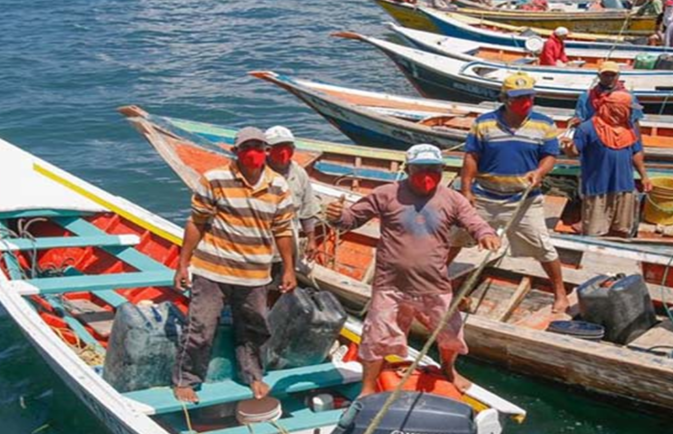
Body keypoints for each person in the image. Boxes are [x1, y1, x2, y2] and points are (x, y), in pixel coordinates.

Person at [325, 144, 501, 396]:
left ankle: (449, 369)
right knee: (377, 338)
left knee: (450, 334)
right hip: (390, 286)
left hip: (434, 285)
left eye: (434, 169)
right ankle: (366, 388)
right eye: (421, 169)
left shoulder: (452, 198)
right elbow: (349, 220)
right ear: (408, 169)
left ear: (442, 171)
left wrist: (486, 234)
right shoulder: (386, 194)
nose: (428, 175)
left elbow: (474, 221)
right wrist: (336, 214)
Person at [172, 127, 298, 404]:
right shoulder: (215, 179)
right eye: (246, 147)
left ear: (267, 151)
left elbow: (283, 231)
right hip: (212, 269)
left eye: (258, 147)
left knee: (255, 329)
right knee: (200, 328)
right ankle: (186, 380)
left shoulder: (279, 186)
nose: (252, 153)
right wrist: (183, 264)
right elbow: (196, 222)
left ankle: (253, 377)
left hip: (255, 273)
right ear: (235, 151)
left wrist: (289, 269)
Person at [451, 73, 569, 313]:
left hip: (523, 199)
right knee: (454, 239)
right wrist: (465, 189)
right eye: (519, 98)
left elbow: (550, 156)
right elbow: (471, 156)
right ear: (505, 99)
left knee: (543, 247)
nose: (525, 101)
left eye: (529, 96)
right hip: (485, 195)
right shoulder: (484, 123)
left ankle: (560, 294)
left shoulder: (544, 124)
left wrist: (539, 172)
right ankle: (432, 283)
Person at [563, 90, 652, 237]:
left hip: (624, 187)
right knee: (595, 230)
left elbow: (636, 152)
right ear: (617, 108)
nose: (631, 113)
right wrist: (568, 146)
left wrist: (644, 176)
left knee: (622, 229)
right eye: (629, 109)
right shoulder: (587, 128)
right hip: (598, 188)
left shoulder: (629, 128)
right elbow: (574, 151)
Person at [264, 125, 321, 265]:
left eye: (288, 146)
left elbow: (307, 210)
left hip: (288, 242)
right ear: (266, 150)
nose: (283, 151)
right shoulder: (256, 173)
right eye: (278, 147)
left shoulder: (299, 173)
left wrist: (311, 240)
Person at [574, 61, 643, 127]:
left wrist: (638, 139)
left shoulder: (629, 97)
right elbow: (580, 119)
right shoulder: (586, 97)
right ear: (599, 75)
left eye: (613, 75)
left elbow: (635, 119)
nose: (609, 78)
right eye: (605, 75)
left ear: (618, 76)